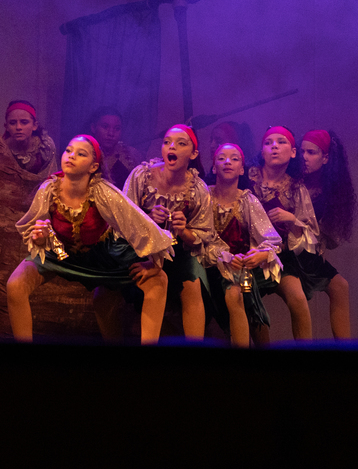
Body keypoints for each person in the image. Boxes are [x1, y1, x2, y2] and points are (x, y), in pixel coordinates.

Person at [6, 135, 173, 344]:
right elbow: (36, 232)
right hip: (60, 252)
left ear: (93, 166)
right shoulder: (49, 189)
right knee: (15, 285)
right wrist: (40, 238)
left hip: (101, 254)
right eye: (68, 150)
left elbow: (136, 223)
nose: (71, 156)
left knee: (157, 280)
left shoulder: (102, 192)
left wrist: (155, 263)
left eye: (80, 154)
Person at [123, 125, 224, 340]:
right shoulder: (142, 176)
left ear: (193, 154)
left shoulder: (198, 188)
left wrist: (183, 230)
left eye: (181, 143)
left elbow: (202, 235)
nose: (172, 147)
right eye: (167, 142)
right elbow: (123, 219)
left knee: (192, 284)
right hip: (141, 249)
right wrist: (148, 219)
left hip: (179, 252)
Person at [245, 126, 320, 340]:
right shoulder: (247, 177)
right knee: (250, 300)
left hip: (279, 255)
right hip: (247, 253)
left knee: (298, 298)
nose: (274, 147)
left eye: (281, 142)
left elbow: (311, 233)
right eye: (268, 143)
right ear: (262, 152)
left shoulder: (296, 188)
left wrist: (292, 219)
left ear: (293, 152)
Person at [207, 143, 283, 347]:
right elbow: (199, 236)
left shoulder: (247, 201)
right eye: (221, 158)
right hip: (209, 264)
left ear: (242, 169)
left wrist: (261, 254)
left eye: (234, 159)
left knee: (242, 294)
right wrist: (223, 257)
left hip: (239, 269)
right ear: (213, 167)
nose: (227, 162)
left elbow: (271, 239)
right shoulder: (204, 197)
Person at [296, 129, 355, 339]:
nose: (304, 157)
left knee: (340, 286)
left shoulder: (331, 191)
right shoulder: (292, 181)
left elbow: (333, 239)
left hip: (308, 253)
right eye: (302, 151)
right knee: (296, 297)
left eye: (311, 152)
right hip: (285, 250)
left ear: (326, 158)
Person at [87, 106, 142, 187]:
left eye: (117, 128)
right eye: (105, 127)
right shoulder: (85, 154)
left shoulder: (130, 156)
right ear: (93, 128)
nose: (111, 133)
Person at [3, 99, 57, 179]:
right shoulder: (2, 149)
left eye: (24, 122)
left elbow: (50, 178)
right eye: (12, 123)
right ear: (6, 127)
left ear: (34, 125)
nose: (18, 127)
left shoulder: (45, 146)